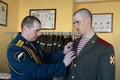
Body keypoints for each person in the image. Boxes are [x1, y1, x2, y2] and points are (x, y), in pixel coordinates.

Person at [7, 16, 76, 80]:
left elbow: (46, 58)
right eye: (36, 30)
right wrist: (63, 64)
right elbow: (35, 71)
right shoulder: (15, 48)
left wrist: (63, 52)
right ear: (25, 29)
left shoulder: (32, 42)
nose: (39, 34)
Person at [64, 8, 115, 80]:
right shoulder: (74, 43)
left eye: (78, 22)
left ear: (88, 20)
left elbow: (106, 77)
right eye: (74, 23)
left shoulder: (105, 48)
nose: (75, 26)